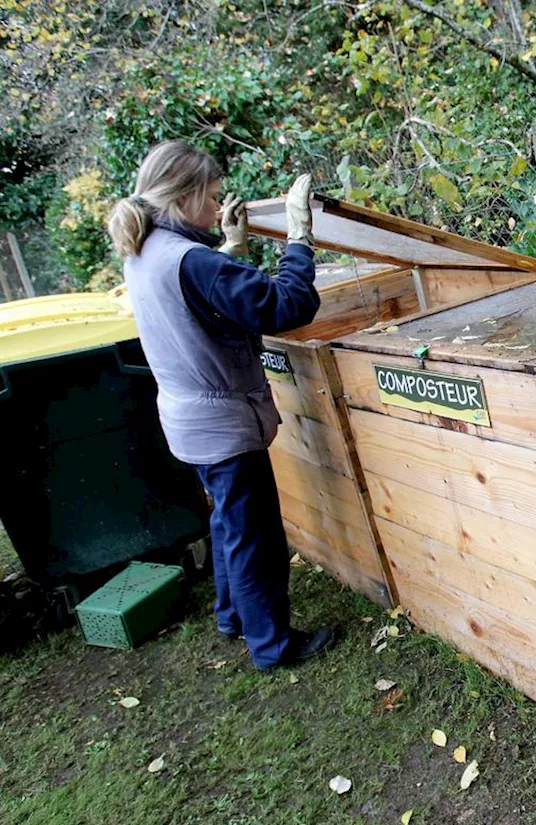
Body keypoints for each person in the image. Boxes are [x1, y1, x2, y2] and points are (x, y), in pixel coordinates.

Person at [107, 140, 337, 669]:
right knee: (255, 535)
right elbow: (288, 306)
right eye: (210, 198)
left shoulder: (146, 249)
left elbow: (197, 298)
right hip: (222, 423)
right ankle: (273, 646)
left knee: (229, 523)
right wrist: (299, 238)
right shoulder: (192, 260)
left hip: (191, 420)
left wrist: (229, 247)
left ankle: (232, 615)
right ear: (183, 196)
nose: (216, 208)